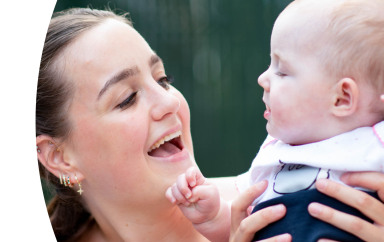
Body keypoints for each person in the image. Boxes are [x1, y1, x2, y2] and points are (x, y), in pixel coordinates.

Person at [36, 6, 384, 242]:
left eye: (162, 78)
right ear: (58, 157)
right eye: (126, 98)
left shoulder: (265, 200)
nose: (169, 101)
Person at [167, 0, 384, 241]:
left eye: (281, 71)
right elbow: (243, 223)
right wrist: (215, 215)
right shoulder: (273, 156)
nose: (263, 78)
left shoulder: (375, 142)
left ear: (341, 98)